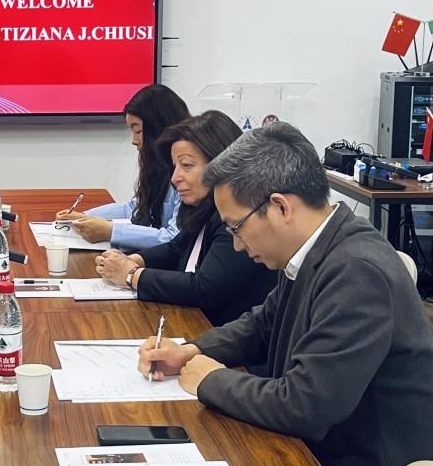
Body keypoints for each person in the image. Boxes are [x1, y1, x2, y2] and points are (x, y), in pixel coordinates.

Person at [138, 122, 433, 465]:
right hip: (317, 444)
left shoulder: (357, 271)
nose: (237, 244)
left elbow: (306, 405)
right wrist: (190, 351)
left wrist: (212, 380)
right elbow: (262, 323)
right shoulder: (318, 247)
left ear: (280, 207)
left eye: (236, 227)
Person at [95, 111, 277, 326]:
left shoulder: (240, 217)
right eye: (175, 166)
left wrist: (131, 275)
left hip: (221, 332)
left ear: (222, 163)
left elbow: (205, 288)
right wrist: (132, 260)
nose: (175, 178)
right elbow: (176, 249)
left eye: (187, 166)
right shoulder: (204, 208)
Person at [57, 84, 190, 250]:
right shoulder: (159, 166)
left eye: (138, 131)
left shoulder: (187, 175)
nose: (134, 141)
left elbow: (174, 238)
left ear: (159, 128)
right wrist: (85, 218)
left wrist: (111, 231)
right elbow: (136, 207)